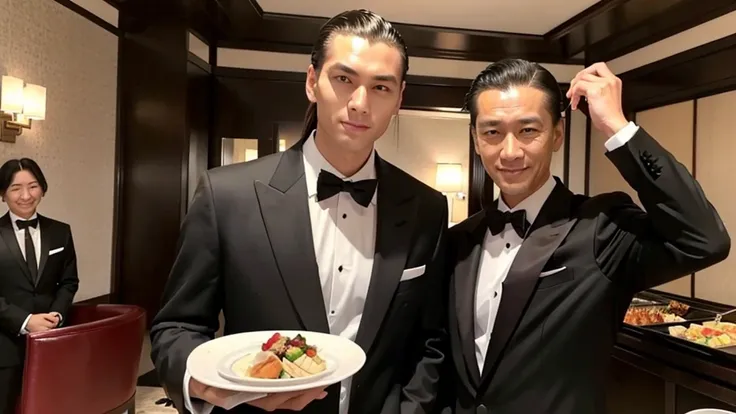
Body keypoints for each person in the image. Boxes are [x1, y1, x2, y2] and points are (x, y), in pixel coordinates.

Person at [150, 9, 449, 414]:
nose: (360, 103)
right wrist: (205, 385)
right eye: (344, 79)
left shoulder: (427, 208)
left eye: (381, 87)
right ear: (312, 82)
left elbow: (429, 343)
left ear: (399, 99)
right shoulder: (227, 195)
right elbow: (176, 327)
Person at [440, 59, 730, 414]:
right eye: (492, 132)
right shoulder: (459, 239)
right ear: (475, 139)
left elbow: (704, 240)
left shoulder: (601, 228)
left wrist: (617, 127)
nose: (510, 151)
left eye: (528, 130)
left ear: (558, 134)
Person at [0, 158, 79, 413]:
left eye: (33, 186)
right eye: (15, 188)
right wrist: (25, 321)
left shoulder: (61, 232)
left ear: (42, 189)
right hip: (4, 345)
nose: (26, 195)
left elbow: (69, 282)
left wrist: (56, 316)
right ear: (3, 194)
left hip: (51, 341)